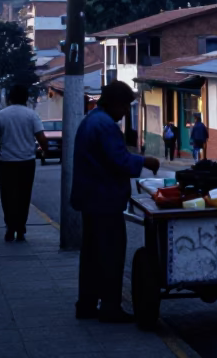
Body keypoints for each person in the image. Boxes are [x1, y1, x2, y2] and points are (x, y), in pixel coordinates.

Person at [72, 82, 160, 323]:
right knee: (110, 255)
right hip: (104, 200)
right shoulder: (106, 126)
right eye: (124, 107)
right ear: (114, 103)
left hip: (90, 198)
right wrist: (145, 161)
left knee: (91, 255)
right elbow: (119, 160)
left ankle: (87, 304)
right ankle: (110, 306)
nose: (124, 113)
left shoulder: (91, 120)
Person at [0, 84, 47, 242]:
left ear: (9, 98)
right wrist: (43, 150)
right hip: (26, 162)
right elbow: (42, 138)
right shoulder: (31, 115)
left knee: (7, 196)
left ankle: (10, 226)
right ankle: (20, 228)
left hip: (6, 162)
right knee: (24, 196)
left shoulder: (2, 115)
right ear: (25, 98)